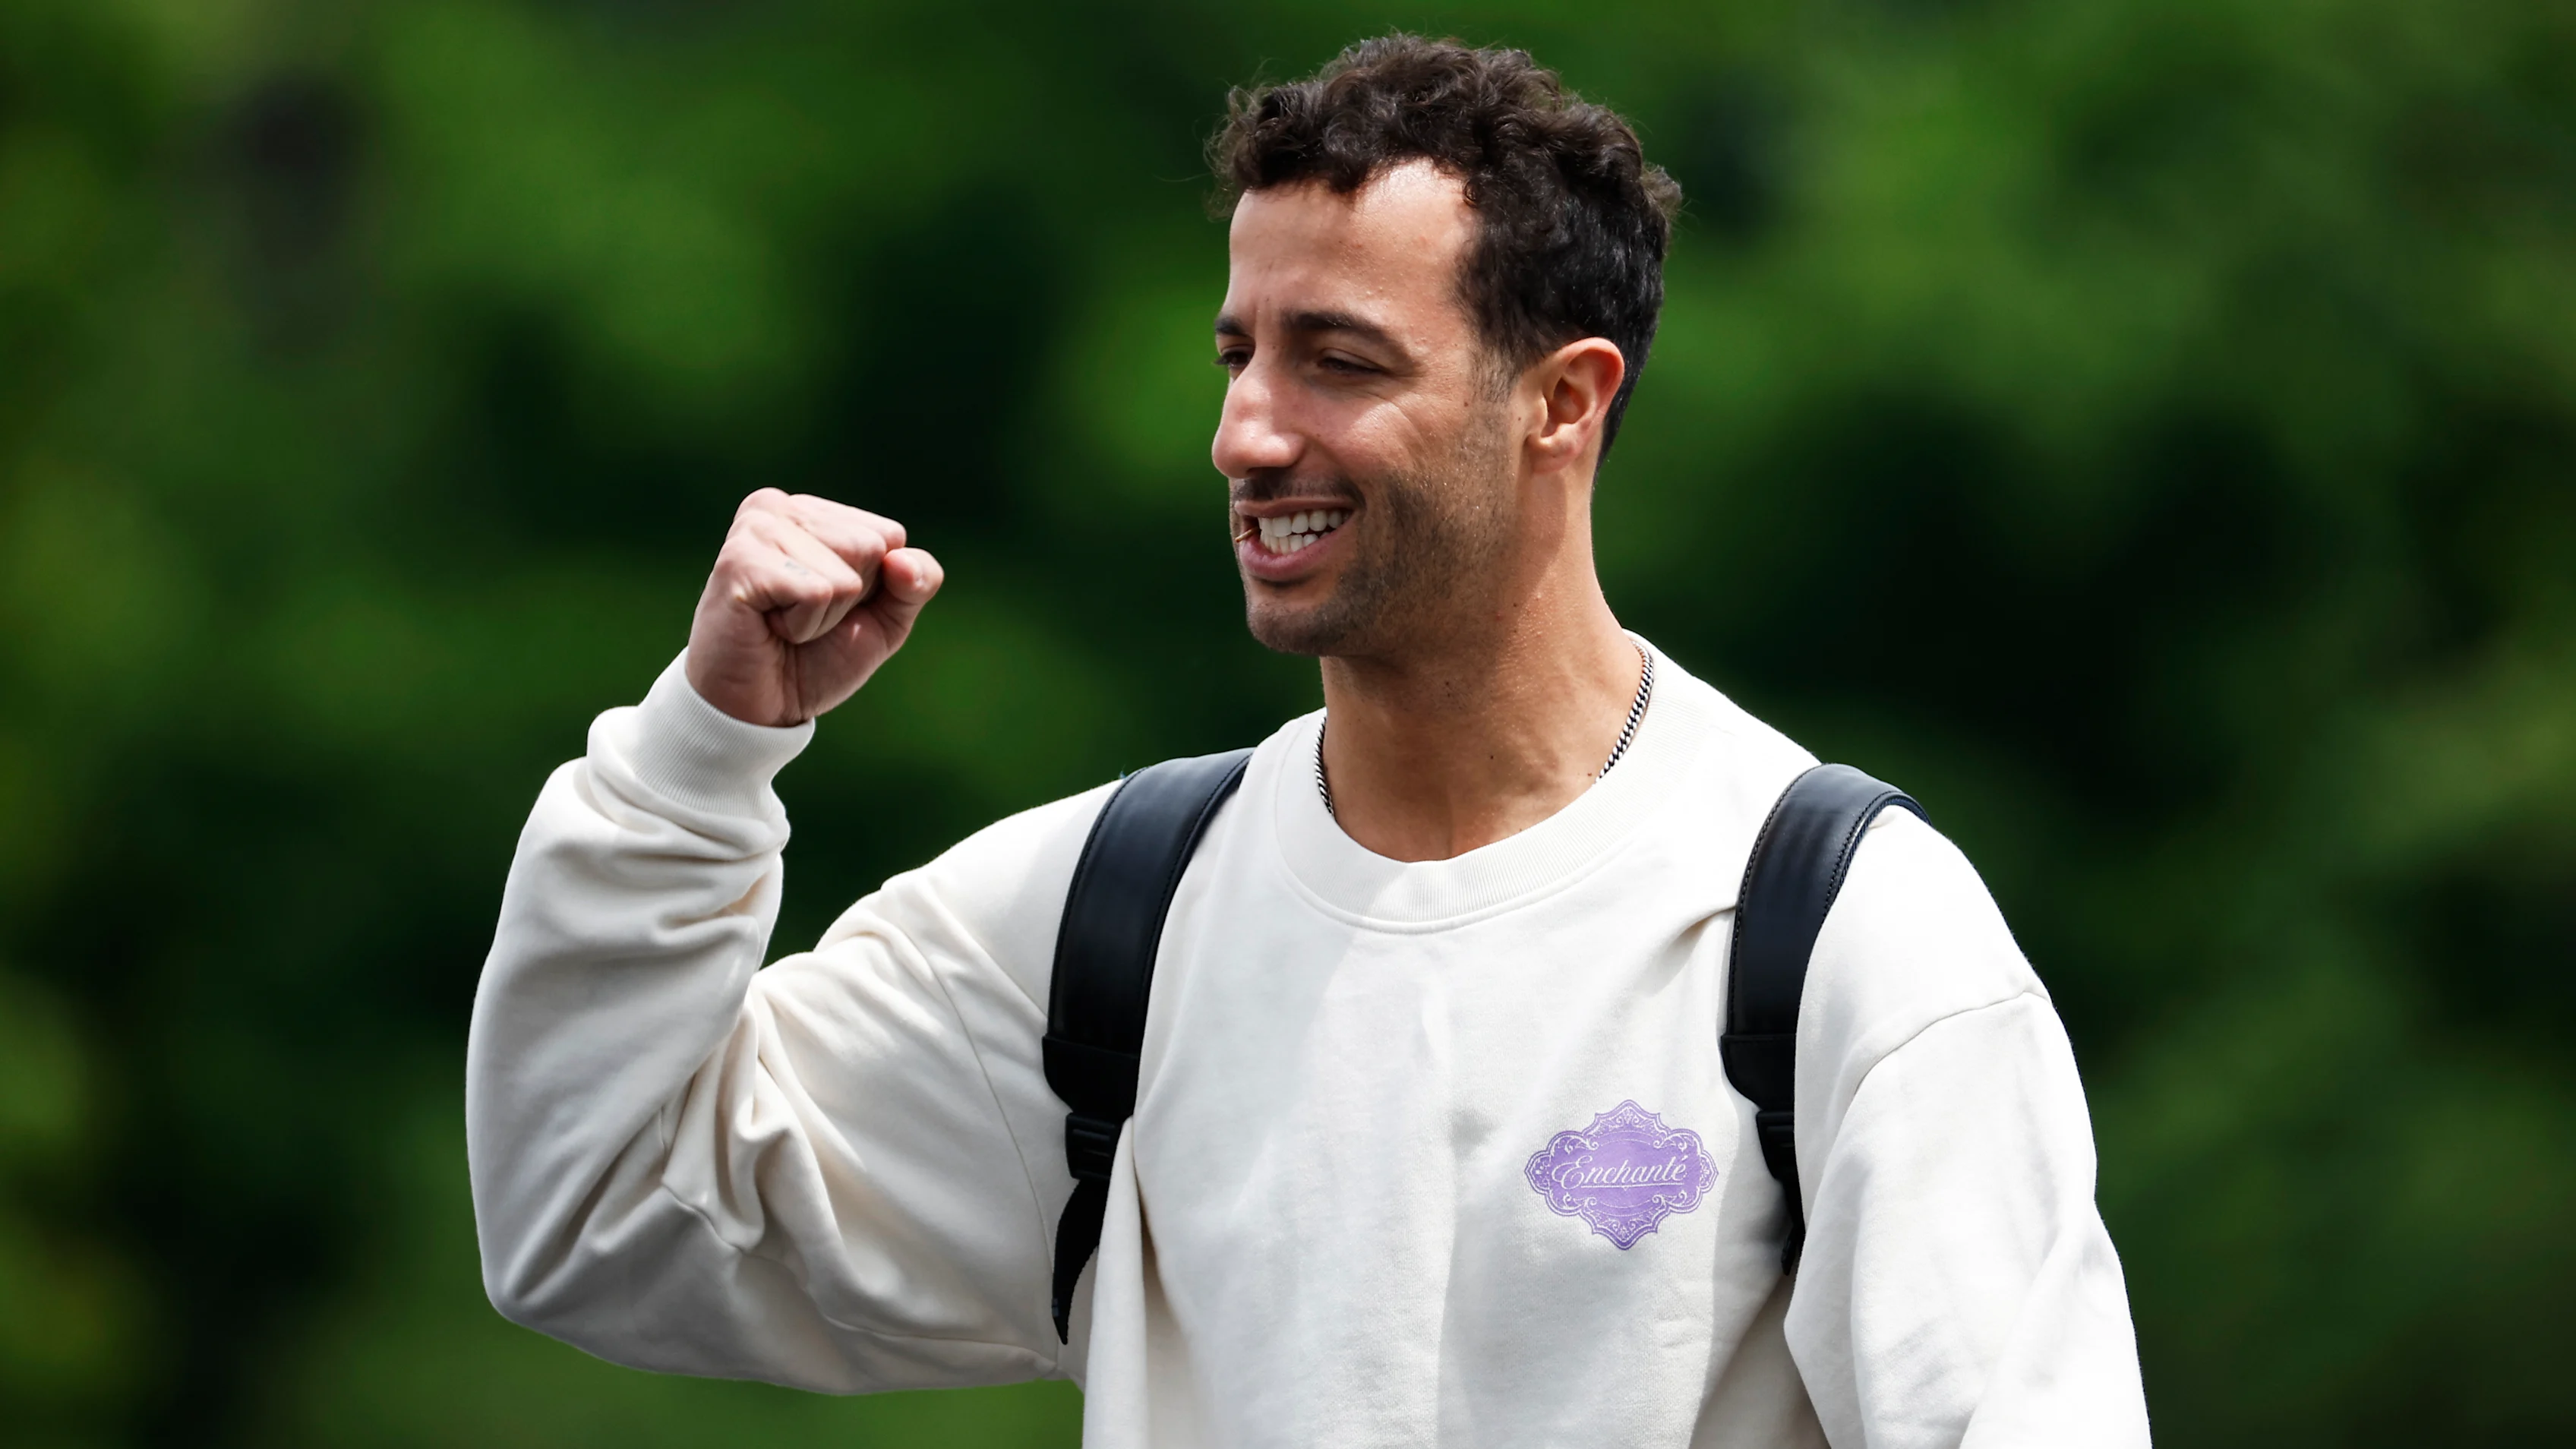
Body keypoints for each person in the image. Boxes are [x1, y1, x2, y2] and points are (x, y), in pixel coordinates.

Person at [466, 34, 2151, 1447]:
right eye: (1239, 352)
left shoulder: (1834, 929)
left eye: (1337, 360)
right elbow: (594, 1215)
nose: (1246, 433)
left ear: (1563, 401)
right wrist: (702, 758)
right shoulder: (1106, 919)